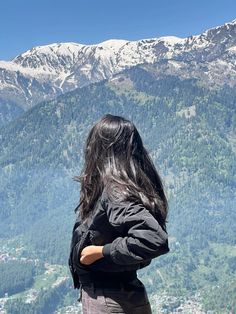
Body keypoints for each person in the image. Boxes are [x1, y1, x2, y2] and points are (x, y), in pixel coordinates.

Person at [68, 113, 170, 314]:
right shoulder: (129, 187)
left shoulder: (117, 191)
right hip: (125, 296)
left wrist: (100, 251)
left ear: (102, 149)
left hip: (109, 301)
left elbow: (154, 239)